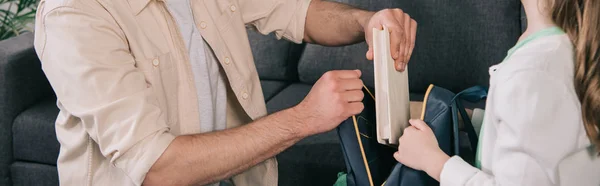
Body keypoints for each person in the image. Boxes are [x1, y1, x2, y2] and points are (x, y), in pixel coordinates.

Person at [33, 0, 417, 185]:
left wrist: (366, 21)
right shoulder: (75, 16)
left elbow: (296, 12)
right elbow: (157, 167)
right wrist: (303, 119)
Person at [395, 0, 600, 185]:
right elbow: (546, 131)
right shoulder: (563, 49)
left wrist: (433, 161)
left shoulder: (532, 72)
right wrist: (466, 118)